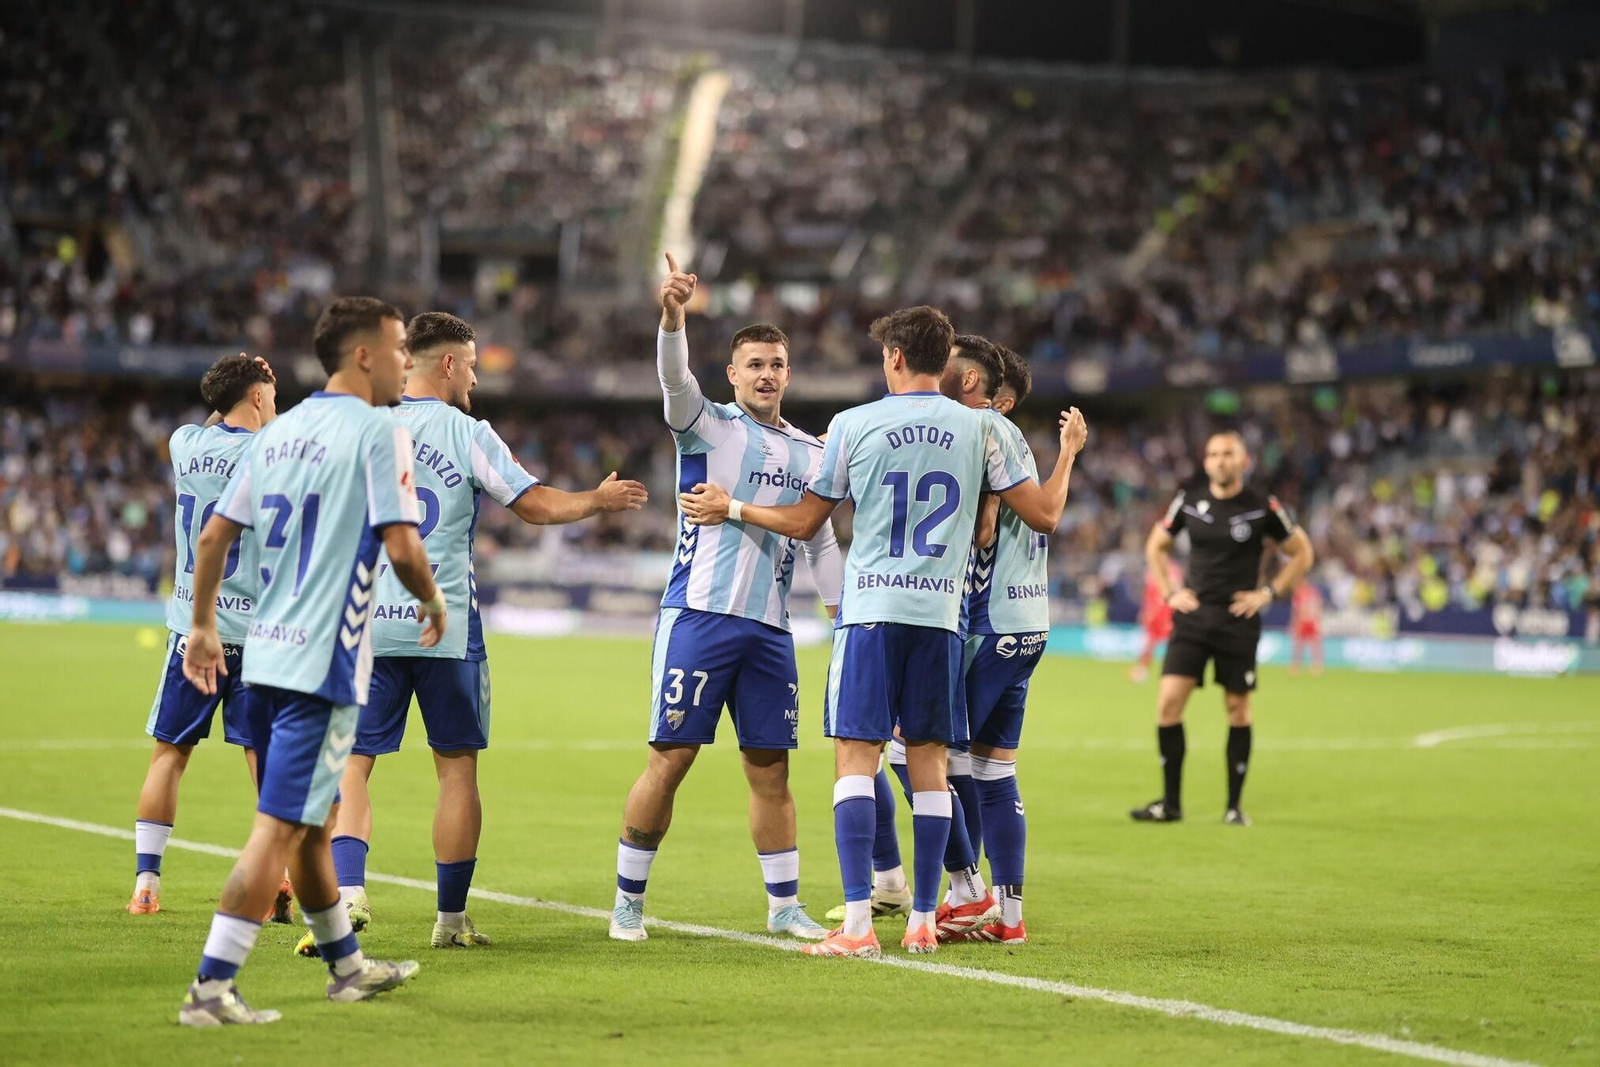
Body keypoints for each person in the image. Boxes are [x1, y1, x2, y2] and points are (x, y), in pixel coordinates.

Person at [680, 305, 1087, 958]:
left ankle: (862, 925)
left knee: (855, 760)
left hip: (871, 612)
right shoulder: (986, 429)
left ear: (894, 357)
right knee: (931, 767)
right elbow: (1041, 515)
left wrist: (731, 506)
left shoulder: (853, 424)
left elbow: (806, 522)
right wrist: (1068, 456)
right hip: (941, 620)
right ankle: (927, 917)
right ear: (944, 356)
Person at [298, 311, 647, 957]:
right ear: (449, 365)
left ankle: (348, 890)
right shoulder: (466, 432)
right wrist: (596, 500)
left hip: (368, 623)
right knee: (456, 770)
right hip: (446, 627)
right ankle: (451, 918)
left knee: (353, 762)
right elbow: (533, 502)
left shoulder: (363, 425)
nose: (479, 377)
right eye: (475, 363)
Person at [175, 296, 444, 1024]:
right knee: (279, 827)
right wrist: (434, 602)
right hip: (322, 667)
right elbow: (402, 545)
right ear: (363, 355)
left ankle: (347, 967)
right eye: (396, 349)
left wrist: (202, 625)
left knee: (312, 822)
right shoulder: (379, 432)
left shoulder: (278, 432)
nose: (404, 364)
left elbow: (212, 539)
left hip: (262, 654)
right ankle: (210, 987)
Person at [609, 254, 844, 944]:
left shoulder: (810, 450)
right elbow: (671, 375)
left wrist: (839, 615)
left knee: (771, 768)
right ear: (733, 374)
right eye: (754, 363)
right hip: (700, 617)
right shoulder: (704, 422)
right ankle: (628, 900)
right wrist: (674, 314)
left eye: (777, 363)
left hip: (771, 628)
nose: (767, 373)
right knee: (671, 758)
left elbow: (819, 541)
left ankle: (783, 904)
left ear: (788, 373)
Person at [130, 353, 279, 919]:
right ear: (259, 397)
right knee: (265, 762)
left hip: (195, 631)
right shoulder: (271, 455)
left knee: (169, 755)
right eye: (271, 392)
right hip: (257, 635)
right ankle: (279, 878)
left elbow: (218, 419)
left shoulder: (185, 443)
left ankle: (146, 884)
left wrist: (239, 379)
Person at [1130, 432, 1315, 827]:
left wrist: (1268, 592)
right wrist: (1169, 592)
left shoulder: (1263, 506)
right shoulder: (1189, 500)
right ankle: (1171, 804)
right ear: (1206, 461)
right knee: (1167, 705)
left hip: (1238, 620)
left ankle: (1234, 807)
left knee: (1237, 709)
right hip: (1194, 617)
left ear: (1244, 461)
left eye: (1228, 454)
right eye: (1213, 454)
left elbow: (1302, 553)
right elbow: (1155, 547)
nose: (1220, 461)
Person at [1130, 560, 1184, 684]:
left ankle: (1176, 673)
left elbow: (1177, 590)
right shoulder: (1152, 569)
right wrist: (1146, 610)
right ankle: (1142, 670)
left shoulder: (1174, 570)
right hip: (1155, 612)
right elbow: (1148, 593)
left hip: (1168, 611)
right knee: (1149, 642)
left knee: (1174, 642)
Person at [1289, 581, 1325, 676]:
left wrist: (1293, 623)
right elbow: (1319, 607)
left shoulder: (1299, 593)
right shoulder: (1314, 593)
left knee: (1302, 644)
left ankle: (1298, 666)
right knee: (1310, 644)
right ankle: (1315, 666)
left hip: (1304, 621)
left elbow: (1296, 611)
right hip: (1310, 621)